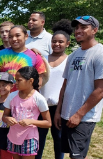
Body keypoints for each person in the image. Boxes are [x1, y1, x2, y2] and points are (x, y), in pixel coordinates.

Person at [56, 16, 103, 159]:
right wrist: (58, 111)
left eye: (84, 27)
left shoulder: (102, 55)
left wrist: (79, 115)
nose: (78, 31)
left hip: (84, 118)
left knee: (77, 156)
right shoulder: (73, 55)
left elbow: (101, 90)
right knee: (70, 153)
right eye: (77, 28)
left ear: (95, 30)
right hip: (66, 115)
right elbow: (65, 85)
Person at [3, 67, 51, 158]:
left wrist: (31, 122)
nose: (15, 83)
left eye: (19, 80)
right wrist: (7, 118)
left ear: (31, 81)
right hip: (13, 136)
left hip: (30, 138)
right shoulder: (12, 96)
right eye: (15, 80)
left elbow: (48, 123)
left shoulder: (39, 98)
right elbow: (4, 116)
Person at [40, 24, 71, 159]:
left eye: (60, 42)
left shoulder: (70, 60)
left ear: (67, 44)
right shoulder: (42, 58)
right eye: (54, 41)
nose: (57, 44)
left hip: (59, 106)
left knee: (58, 138)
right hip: (41, 106)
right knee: (39, 138)